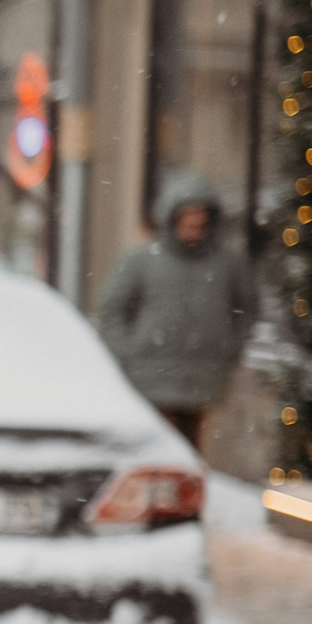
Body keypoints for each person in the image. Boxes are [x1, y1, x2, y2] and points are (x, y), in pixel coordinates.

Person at [95, 170, 258, 449]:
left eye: (200, 219)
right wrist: (129, 352)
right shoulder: (141, 260)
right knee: (155, 450)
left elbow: (248, 309)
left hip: (203, 377)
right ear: (173, 218)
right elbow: (111, 309)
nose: (194, 226)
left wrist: (229, 349)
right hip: (149, 377)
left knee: (190, 452)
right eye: (188, 218)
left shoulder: (228, 263)